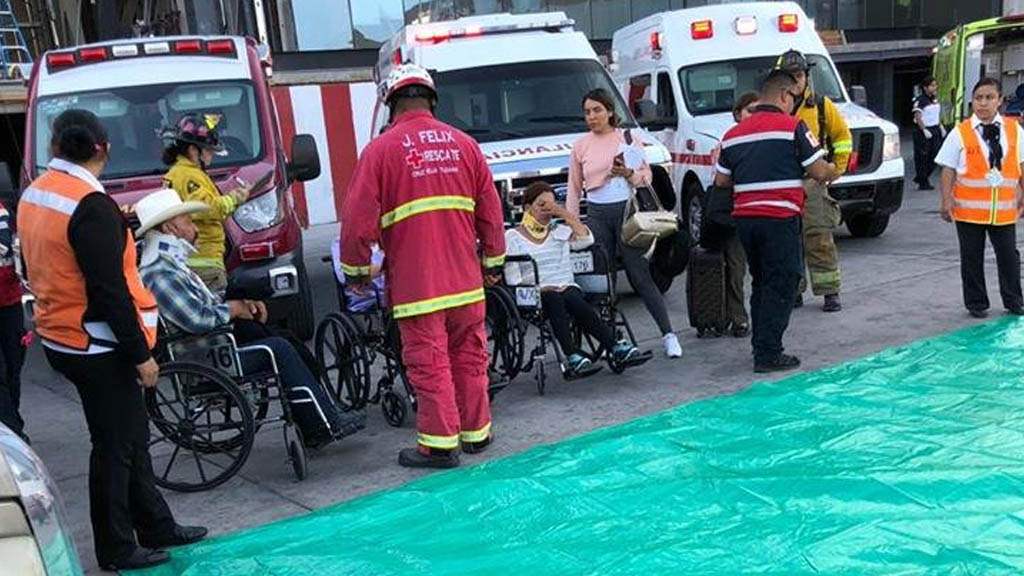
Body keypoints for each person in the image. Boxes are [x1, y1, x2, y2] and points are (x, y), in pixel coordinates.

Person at [17, 109, 205, 571]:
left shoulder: (36, 194)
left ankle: (155, 523)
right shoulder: (89, 204)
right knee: (115, 446)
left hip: (62, 333)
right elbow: (109, 290)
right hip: (97, 342)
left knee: (130, 436)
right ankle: (116, 546)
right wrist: (141, 356)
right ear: (103, 149)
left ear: (54, 148)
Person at [341, 63, 506, 469]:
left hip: (419, 285)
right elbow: (491, 210)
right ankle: (476, 433)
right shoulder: (464, 145)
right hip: (466, 280)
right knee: (469, 353)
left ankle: (438, 445)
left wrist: (357, 272)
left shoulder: (380, 151)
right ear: (431, 100)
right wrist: (493, 262)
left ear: (391, 104)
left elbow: (357, 220)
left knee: (428, 360)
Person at [135, 188, 365, 446]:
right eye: (187, 221)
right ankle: (322, 424)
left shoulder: (168, 263)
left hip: (211, 346)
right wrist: (234, 309)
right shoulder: (159, 272)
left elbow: (203, 305)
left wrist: (242, 303)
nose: (193, 226)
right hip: (205, 356)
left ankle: (317, 417)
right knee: (279, 349)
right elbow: (197, 318)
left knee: (284, 339)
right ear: (170, 229)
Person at [714, 71, 832, 373]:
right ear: (784, 95)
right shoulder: (793, 127)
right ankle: (768, 353)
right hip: (779, 218)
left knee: (762, 281)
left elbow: (721, 180)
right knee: (784, 281)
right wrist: (831, 168)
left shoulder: (733, 134)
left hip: (746, 221)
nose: (794, 104)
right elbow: (818, 171)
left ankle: (760, 345)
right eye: (794, 98)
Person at [567, 88, 682, 358]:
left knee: (639, 275)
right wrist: (573, 224)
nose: (592, 117)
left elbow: (647, 177)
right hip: (596, 213)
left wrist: (628, 172)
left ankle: (668, 334)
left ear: (609, 111)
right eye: (587, 112)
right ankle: (611, 339)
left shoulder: (628, 137)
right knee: (601, 280)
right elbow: (574, 188)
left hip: (626, 211)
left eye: (597, 110)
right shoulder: (580, 145)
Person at [505, 181, 640, 375]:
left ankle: (615, 346)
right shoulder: (513, 236)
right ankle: (572, 355)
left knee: (570, 295)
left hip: (566, 287)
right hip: (536, 292)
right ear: (527, 208)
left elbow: (587, 239)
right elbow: (513, 278)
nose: (547, 210)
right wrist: (542, 288)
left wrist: (565, 215)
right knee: (554, 297)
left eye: (551, 205)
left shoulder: (557, 232)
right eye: (541, 205)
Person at [935, 77, 1024, 318]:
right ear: (972, 102)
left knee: (1008, 256)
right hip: (969, 211)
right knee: (972, 257)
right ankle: (976, 303)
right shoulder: (961, 132)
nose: (983, 103)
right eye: (978, 98)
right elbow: (947, 168)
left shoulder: (1014, 130)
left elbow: (1022, 165)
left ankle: (1014, 300)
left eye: (989, 98)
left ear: (1000, 101)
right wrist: (946, 201)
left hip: (1004, 210)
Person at [776, 49, 849, 312]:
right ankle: (794, 291)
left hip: (813, 183)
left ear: (806, 76)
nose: (795, 81)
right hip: (783, 185)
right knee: (787, 243)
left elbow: (842, 137)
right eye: (789, 76)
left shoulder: (821, 106)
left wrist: (835, 170)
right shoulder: (773, 108)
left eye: (798, 75)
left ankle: (830, 291)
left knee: (819, 237)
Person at [161, 113, 249, 292]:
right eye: (208, 150)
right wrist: (235, 198)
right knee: (219, 315)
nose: (211, 155)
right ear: (194, 150)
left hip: (194, 260)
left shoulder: (177, 173)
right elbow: (206, 208)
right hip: (204, 262)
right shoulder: (189, 175)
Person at [0, 202, 25, 442]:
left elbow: (7, 247)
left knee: (13, 368)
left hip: (9, 302)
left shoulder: (2, 211)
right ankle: (12, 433)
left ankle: (11, 422)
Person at [913, 76, 943, 191]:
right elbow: (918, 116)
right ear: (925, 87)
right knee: (923, 157)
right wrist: (924, 129)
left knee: (936, 154)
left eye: (935, 85)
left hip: (935, 129)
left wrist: (940, 126)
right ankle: (923, 181)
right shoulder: (920, 100)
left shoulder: (934, 99)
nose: (935, 87)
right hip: (923, 131)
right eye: (932, 85)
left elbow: (935, 114)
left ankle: (921, 177)